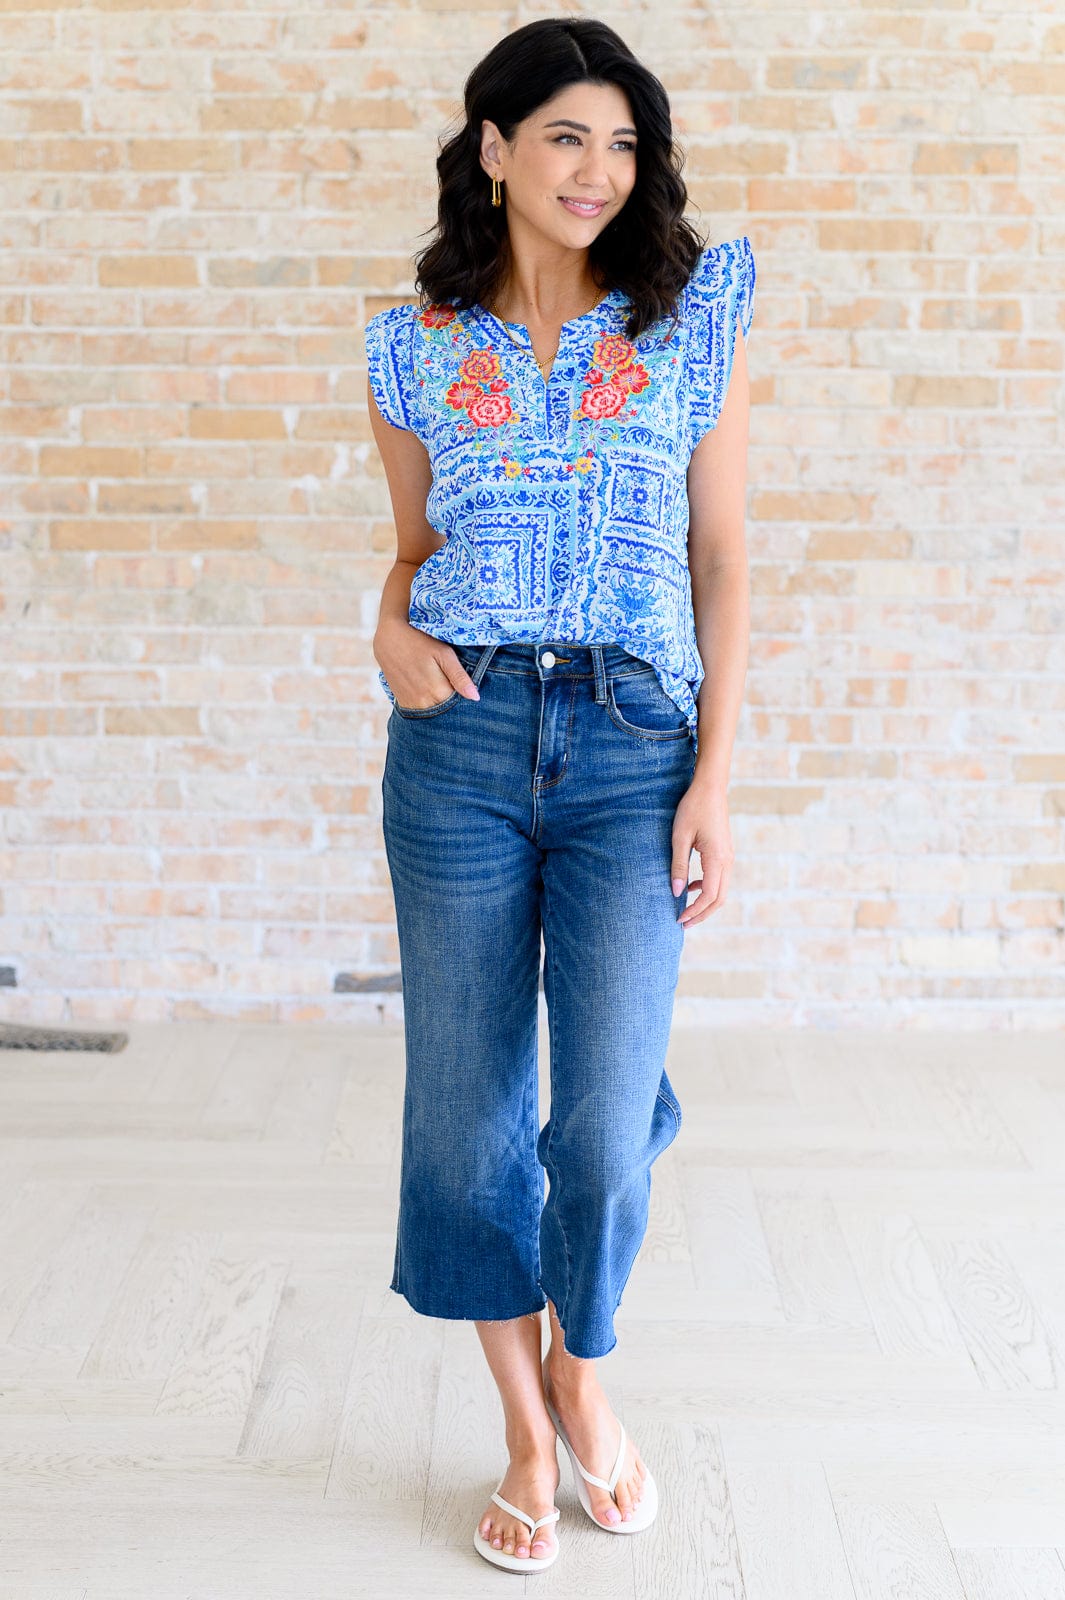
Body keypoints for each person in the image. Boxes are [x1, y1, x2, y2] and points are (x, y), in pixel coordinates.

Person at [364, 16, 754, 1576]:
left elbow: (719, 557)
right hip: (455, 745)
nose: (598, 170)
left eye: (621, 142)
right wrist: (385, 627)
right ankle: (526, 1431)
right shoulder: (412, 344)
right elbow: (406, 562)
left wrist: (714, 773)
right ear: (494, 149)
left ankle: (584, 1379)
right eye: (566, 137)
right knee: (469, 1135)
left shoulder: (686, 315)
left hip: (633, 742)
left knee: (594, 1131)